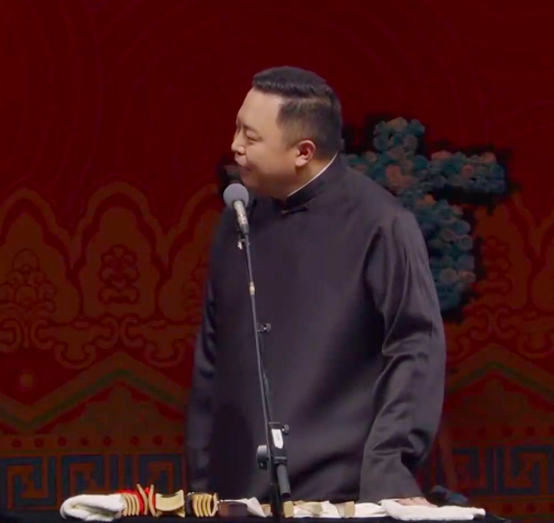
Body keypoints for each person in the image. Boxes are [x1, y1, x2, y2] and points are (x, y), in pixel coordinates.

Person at [185, 66, 446, 506]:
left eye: (251, 137)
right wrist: (201, 486)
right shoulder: (238, 220)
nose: (235, 146)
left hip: (339, 494)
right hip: (238, 495)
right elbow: (212, 361)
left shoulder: (380, 224)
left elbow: (415, 348)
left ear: (303, 151)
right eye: (237, 128)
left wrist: (389, 469)